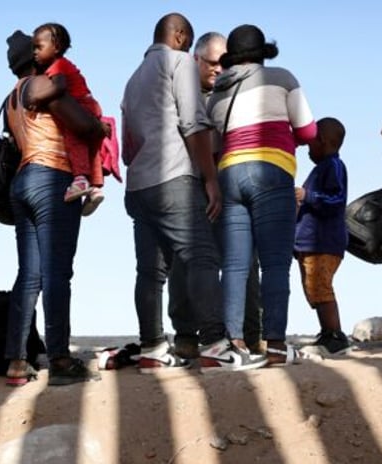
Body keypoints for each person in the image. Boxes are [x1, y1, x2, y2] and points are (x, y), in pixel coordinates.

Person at [121, 13, 266, 373]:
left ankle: (153, 348)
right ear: (182, 36)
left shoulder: (133, 78)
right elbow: (193, 123)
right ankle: (216, 344)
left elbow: (127, 146)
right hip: (174, 179)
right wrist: (210, 178)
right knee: (202, 257)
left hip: (139, 183)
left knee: (150, 272)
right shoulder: (179, 62)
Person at [207, 24, 317, 365]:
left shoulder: (216, 94)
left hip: (230, 174)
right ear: (262, 53)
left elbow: (213, 146)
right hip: (271, 170)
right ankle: (275, 346)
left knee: (236, 265)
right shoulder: (282, 78)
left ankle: (233, 345)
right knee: (274, 263)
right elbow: (309, 131)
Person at [2, 29, 106, 386]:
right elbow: (83, 125)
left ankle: (16, 362)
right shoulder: (40, 87)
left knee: (29, 275)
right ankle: (59, 358)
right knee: (58, 272)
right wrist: (99, 127)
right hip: (52, 176)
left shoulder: (10, 99)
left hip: (23, 181)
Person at [168, 30, 263, 359]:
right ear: (195, 59)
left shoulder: (237, 92)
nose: (218, 70)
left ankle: (251, 336)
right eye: (211, 63)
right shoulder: (179, 93)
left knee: (245, 261)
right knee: (185, 262)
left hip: (232, 188)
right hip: (191, 187)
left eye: (224, 64)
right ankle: (185, 335)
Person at [31, 22, 106, 215]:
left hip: (82, 105)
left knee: (74, 139)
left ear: (55, 47)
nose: (35, 52)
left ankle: (80, 179)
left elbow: (59, 88)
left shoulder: (57, 66)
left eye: (39, 47)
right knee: (91, 147)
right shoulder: (62, 64)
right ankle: (95, 188)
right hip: (91, 104)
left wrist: (37, 98)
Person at [294, 117, 351, 355]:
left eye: (310, 145)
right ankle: (327, 333)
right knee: (313, 288)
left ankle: (335, 336)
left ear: (324, 141)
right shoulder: (320, 169)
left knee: (321, 287)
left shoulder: (334, 167)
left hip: (324, 243)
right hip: (309, 245)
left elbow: (336, 201)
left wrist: (307, 196)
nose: (308, 151)